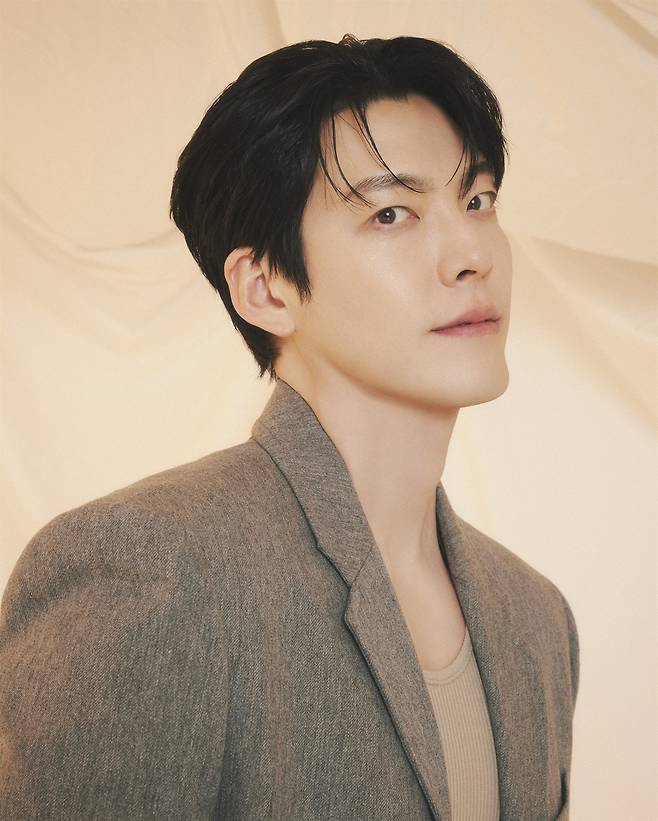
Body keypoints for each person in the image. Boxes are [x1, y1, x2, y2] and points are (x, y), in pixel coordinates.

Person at [0, 34, 579, 820]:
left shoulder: (536, 619)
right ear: (266, 288)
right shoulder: (151, 570)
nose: (470, 254)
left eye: (477, 200)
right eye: (391, 213)